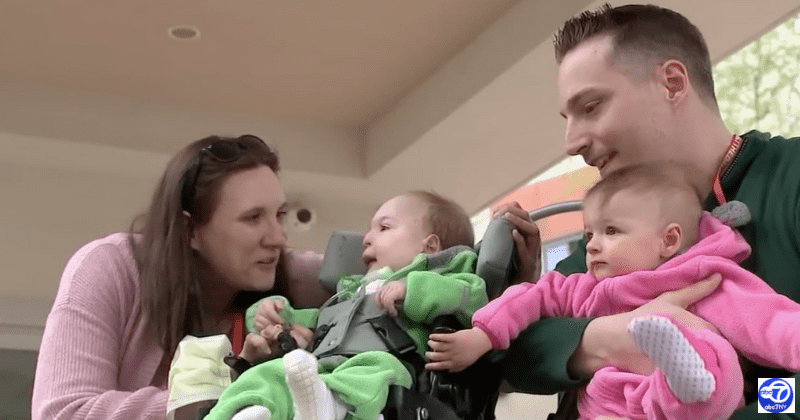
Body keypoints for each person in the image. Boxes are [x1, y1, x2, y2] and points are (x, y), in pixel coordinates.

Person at [472, 4, 800, 419]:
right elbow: (515, 352)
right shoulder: (610, 234)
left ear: (673, 83)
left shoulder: (792, 177)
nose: (571, 142)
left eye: (590, 106)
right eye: (566, 117)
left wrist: (760, 400)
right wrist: (608, 337)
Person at [429, 163, 800, 419]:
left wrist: (767, 405)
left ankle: (684, 377)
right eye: (589, 234)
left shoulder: (701, 279)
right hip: (611, 403)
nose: (591, 245)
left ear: (668, 240)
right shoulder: (586, 282)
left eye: (611, 232)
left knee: (712, 358)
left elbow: (771, 323)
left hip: (691, 400)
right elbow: (532, 299)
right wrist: (483, 334)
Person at [31, 135, 331, 420]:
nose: (278, 238)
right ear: (189, 231)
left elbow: (369, 267)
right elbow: (63, 413)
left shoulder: (280, 269)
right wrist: (223, 389)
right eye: (253, 217)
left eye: (279, 214)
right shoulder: (109, 266)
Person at [202, 191, 489, 420]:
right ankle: (245, 412)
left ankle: (330, 407)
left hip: (389, 370)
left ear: (429, 246)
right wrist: (275, 313)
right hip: (323, 370)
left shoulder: (441, 275)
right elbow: (315, 318)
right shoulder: (348, 294)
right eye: (369, 230)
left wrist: (414, 289)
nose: (366, 238)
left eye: (384, 227)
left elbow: (472, 297)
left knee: (374, 369)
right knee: (269, 374)